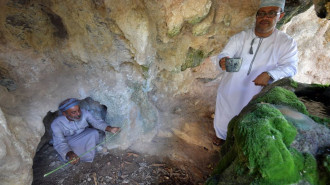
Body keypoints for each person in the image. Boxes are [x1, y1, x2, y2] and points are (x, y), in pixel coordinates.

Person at [212, 0, 298, 146]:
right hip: (231, 88)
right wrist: (223, 61)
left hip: (257, 91)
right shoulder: (241, 37)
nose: (266, 17)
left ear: (281, 15)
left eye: (272, 13)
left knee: (249, 119)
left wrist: (271, 74)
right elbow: (225, 53)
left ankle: (240, 143)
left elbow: (291, 68)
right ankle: (222, 137)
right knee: (225, 116)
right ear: (257, 16)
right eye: (262, 13)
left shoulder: (286, 43)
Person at [51, 98, 120, 164]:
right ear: (65, 114)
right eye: (73, 112)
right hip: (70, 142)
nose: (78, 114)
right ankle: (72, 157)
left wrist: (110, 129)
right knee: (70, 155)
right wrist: (69, 153)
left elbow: (96, 122)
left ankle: (86, 157)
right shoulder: (56, 124)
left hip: (84, 135)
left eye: (78, 110)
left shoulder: (84, 113)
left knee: (94, 133)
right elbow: (60, 142)